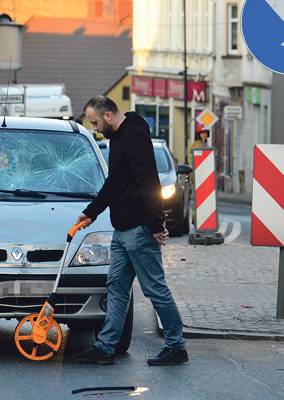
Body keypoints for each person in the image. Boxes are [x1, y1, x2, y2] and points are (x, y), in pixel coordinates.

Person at [72, 96, 188, 366]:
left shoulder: (134, 136)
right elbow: (115, 183)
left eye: (96, 122)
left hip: (140, 230)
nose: (96, 128)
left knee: (154, 289)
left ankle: (176, 347)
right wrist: (92, 211)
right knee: (117, 287)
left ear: (109, 116)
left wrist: (157, 224)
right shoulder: (118, 138)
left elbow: (149, 181)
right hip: (122, 231)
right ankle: (106, 347)